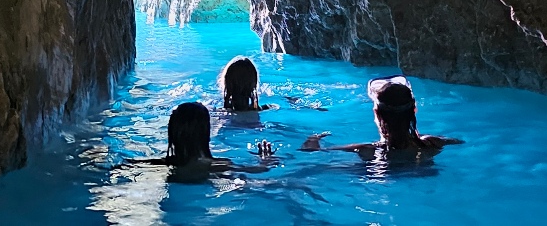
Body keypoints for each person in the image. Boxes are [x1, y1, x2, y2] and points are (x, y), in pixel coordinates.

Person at [300, 75, 462, 159]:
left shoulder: (365, 151)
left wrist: (313, 138)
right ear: (414, 111)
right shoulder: (434, 144)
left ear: (377, 114)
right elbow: (459, 142)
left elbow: (311, 154)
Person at [131, 102, 276, 179]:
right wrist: (265, 159)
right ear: (205, 134)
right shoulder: (219, 165)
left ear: (172, 132)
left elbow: (126, 167)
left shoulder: (159, 164)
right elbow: (258, 170)